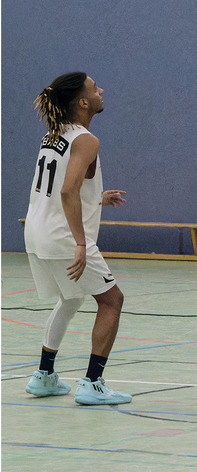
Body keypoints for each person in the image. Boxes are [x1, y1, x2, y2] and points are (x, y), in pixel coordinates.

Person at [24, 72, 131, 406]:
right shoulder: (86, 139)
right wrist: (82, 243)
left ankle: (43, 376)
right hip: (63, 237)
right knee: (112, 300)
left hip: (36, 231)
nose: (101, 90)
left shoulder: (53, 135)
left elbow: (61, 188)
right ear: (83, 102)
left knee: (71, 300)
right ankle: (93, 382)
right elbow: (69, 189)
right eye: (94, 88)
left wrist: (97, 198)